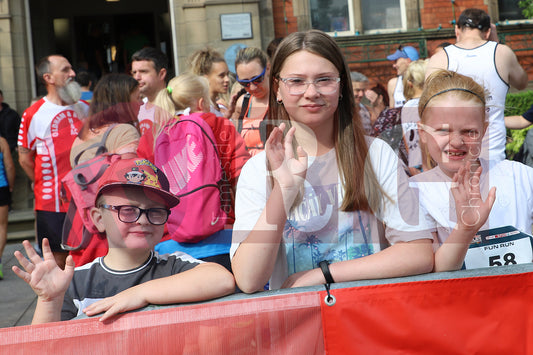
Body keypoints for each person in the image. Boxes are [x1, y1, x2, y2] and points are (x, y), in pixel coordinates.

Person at [230, 30, 433, 293]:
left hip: (370, 322)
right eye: (297, 81)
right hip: (299, 326)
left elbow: (418, 253)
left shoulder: (376, 155)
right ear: (278, 88)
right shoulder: (258, 171)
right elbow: (248, 279)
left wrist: (324, 274)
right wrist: (284, 191)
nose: (311, 92)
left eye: (324, 80)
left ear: (341, 87)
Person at [12, 158, 235, 323]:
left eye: (155, 211)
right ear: (98, 219)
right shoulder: (75, 282)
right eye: (127, 210)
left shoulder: (174, 266)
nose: (143, 220)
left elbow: (222, 279)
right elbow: (44, 346)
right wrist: (49, 300)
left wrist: (140, 293)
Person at [410, 69, 533, 272]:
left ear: (484, 131)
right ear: (422, 133)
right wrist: (464, 229)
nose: (457, 142)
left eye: (469, 131)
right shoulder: (414, 193)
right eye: (443, 130)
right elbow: (433, 271)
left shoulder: (520, 176)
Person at [138, 73, 249, 271]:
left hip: (168, 245)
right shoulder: (221, 126)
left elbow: (143, 193)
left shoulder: (151, 136)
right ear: (201, 102)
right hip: (222, 239)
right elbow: (241, 184)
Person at [426, 8, 528, 162]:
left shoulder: (440, 58)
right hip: (493, 153)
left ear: (457, 29)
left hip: (453, 153)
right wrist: (496, 43)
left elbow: (427, 109)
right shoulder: (502, 53)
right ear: (488, 32)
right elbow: (522, 83)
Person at [18, 55, 90, 269]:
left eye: (71, 68)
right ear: (48, 77)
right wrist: (42, 183)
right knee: (57, 261)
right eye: (66, 70)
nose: (73, 74)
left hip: (86, 199)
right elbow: (24, 159)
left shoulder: (85, 108)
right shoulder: (33, 114)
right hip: (52, 203)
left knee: (88, 258)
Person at [68, 73, 143, 266]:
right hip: (117, 224)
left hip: (85, 223)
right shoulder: (125, 132)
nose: (141, 103)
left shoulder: (82, 134)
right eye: (137, 97)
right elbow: (132, 181)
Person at [232, 47, 270, 156]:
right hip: (248, 170)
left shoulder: (282, 99)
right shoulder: (242, 103)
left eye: (257, 80)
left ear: (267, 68)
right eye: (245, 83)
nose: (252, 87)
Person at [400, 59, 429, 174]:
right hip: (433, 162)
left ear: (409, 83)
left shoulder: (407, 107)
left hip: (416, 163)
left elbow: (408, 138)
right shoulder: (434, 103)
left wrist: (412, 163)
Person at [131, 47, 169, 135]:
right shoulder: (136, 108)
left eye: (143, 71)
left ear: (162, 74)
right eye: (134, 72)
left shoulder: (177, 105)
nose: (137, 77)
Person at [188, 48, 230, 117]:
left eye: (227, 74)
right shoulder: (199, 110)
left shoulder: (222, 107)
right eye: (221, 75)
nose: (227, 79)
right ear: (205, 77)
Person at [0, 135, 15, 279]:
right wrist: (10, 185)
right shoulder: (2, 141)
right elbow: (9, 166)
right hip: (1, 187)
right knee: (2, 226)